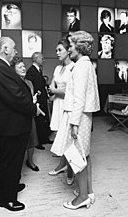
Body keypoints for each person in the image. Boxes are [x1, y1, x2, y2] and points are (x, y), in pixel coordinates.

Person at [0, 37, 44, 211]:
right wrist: (34, 109)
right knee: (9, 162)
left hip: (11, 124)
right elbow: (16, 98)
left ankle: (10, 186)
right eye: (14, 48)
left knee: (12, 161)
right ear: (5, 49)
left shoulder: (0, 67)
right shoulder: (0, 69)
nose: (16, 51)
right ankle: (6, 199)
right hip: (9, 126)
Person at [51, 31, 100, 210]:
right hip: (85, 116)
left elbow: (79, 98)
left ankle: (83, 197)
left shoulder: (80, 66)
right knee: (84, 154)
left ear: (79, 46)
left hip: (79, 117)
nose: (69, 49)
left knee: (76, 157)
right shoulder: (87, 65)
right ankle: (89, 191)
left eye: (70, 46)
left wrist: (74, 123)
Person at [48, 39, 75, 184]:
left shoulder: (74, 67)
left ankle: (70, 170)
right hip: (58, 104)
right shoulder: (58, 68)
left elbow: (71, 92)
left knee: (69, 139)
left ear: (68, 50)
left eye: (60, 50)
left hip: (68, 105)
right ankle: (62, 165)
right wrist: (55, 91)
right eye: (56, 50)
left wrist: (55, 91)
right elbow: (52, 84)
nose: (57, 53)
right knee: (60, 136)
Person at [11, 57, 40, 171]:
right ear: (14, 69)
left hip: (30, 115)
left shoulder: (29, 83)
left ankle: (30, 161)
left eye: (24, 66)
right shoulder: (13, 83)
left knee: (31, 139)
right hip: (18, 116)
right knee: (18, 142)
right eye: (20, 67)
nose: (23, 69)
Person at [26, 52, 53, 150]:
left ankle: (44, 138)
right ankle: (38, 142)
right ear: (36, 59)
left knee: (43, 119)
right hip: (37, 100)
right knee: (38, 120)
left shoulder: (38, 70)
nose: (43, 60)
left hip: (42, 99)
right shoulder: (31, 71)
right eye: (42, 58)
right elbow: (29, 86)